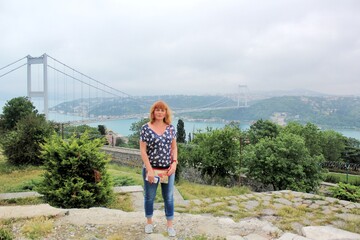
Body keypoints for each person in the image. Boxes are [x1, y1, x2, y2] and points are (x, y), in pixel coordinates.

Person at [139, 100, 178, 237]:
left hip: (168, 169)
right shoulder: (146, 128)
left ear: (166, 112)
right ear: (153, 112)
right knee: (150, 197)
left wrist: (174, 163)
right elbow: (143, 151)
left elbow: (174, 147)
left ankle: (170, 225)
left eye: (162, 110)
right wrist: (149, 170)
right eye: (157, 110)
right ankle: (149, 222)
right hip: (152, 170)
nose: (160, 112)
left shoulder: (171, 128)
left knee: (169, 197)